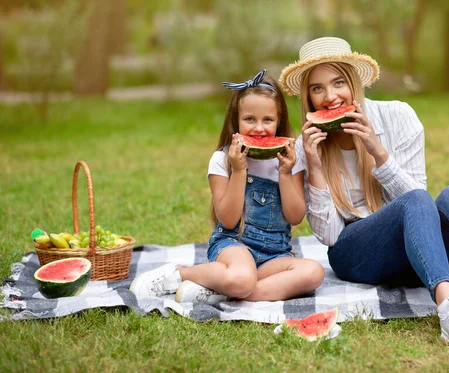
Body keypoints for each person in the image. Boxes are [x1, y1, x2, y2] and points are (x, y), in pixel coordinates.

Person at [279, 37, 449, 346]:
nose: (330, 96)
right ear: (307, 97)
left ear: (354, 82)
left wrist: (379, 154)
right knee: (414, 200)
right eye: (317, 88)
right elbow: (330, 238)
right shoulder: (305, 146)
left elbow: (423, 205)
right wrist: (315, 165)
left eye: (338, 82)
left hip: (419, 251)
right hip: (356, 255)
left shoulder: (399, 117)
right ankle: (448, 305)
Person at [130, 70, 324, 303]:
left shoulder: (290, 159)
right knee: (242, 278)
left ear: (279, 121)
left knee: (313, 272)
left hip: (275, 254)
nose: (259, 128)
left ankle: (222, 292)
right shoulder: (222, 160)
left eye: (268, 120)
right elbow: (228, 220)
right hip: (234, 245)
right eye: (250, 119)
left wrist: (284, 172)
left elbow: (295, 217)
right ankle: (179, 274)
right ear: (236, 120)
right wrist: (239, 170)